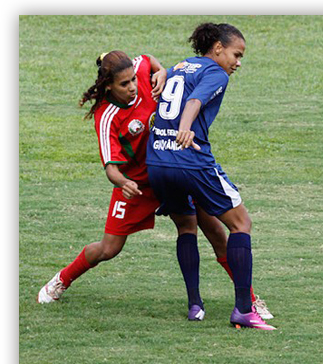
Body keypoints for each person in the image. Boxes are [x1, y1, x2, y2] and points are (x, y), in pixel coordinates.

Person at [37, 50, 273, 321]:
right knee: (108, 248)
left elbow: (147, 59)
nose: (134, 87)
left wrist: (161, 71)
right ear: (109, 86)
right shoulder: (107, 116)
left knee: (217, 235)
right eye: (124, 84)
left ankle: (250, 300)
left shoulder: (139, 71)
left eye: (134, 80)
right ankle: (62, 279)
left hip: (170, 169)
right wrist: (124, 182)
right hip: (137, 184)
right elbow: (111, 169)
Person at [146, 23, 276, 330]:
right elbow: (193, 103)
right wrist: (186, 127)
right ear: (217, 47)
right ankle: (245, 309)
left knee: (186, 226)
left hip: (158, 163)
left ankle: (195, 305)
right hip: (190, 159)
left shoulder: (178, 67)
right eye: (236, 54)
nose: (238, 63)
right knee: (241, 223)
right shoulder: (215, 73)